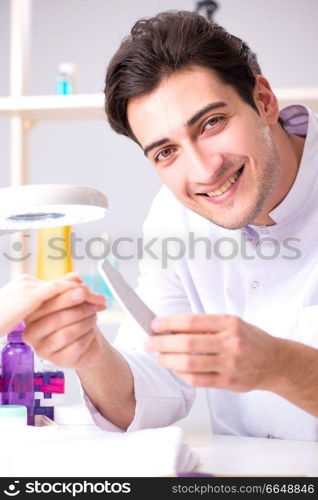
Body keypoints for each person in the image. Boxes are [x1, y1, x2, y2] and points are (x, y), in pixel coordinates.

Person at [23, 10, 318, 440]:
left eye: (212, 123)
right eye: (165, 152)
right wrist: (89, 354)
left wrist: (279, 365)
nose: (204, 170)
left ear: (264, 101)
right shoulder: (174, 215)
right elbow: (150, 390)